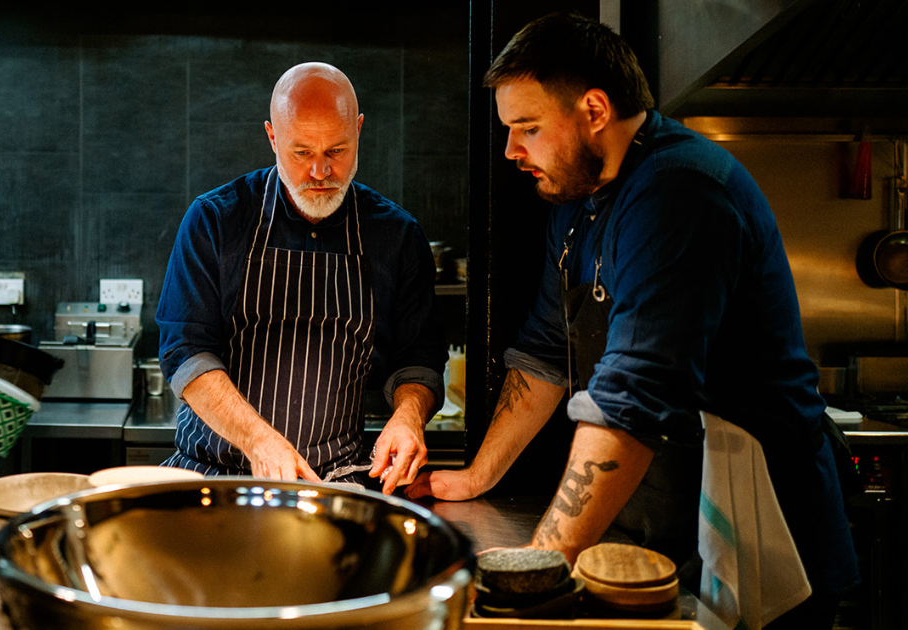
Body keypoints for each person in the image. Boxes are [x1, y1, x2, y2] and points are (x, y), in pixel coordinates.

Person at [405, 13, 858, 627]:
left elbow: (634, 396)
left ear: (594, 110)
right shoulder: (579, 200)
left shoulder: (680, 194)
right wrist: (478, 475)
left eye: (528, 128)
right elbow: (543, 353)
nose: (512, 150)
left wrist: (537, 567)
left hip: (760, 523)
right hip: (669, 515)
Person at [156, 62, 447, 493]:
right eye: (302, 152)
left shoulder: (398, 235)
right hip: (213, 478)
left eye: (336, 151)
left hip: (337, 483)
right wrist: (259, 439)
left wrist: (408, 416)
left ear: (360, 131)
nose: (320, 172)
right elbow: (186, 351)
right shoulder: (215, 220)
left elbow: (418, 357)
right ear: (273, 138)